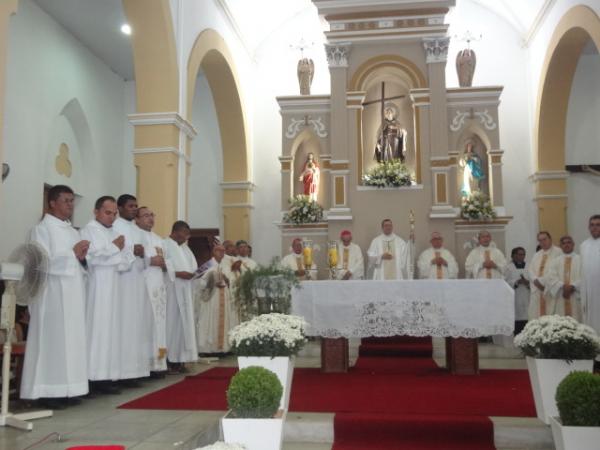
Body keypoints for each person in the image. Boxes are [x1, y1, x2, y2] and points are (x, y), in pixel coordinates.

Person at [20, 185, 89, 408]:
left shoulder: (72, 230)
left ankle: (71, 388)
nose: (70, 205)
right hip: (52, 295)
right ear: (52, 203)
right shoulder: (41, 229)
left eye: (72, 201)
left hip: (72, 294)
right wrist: (73, 254)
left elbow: (79, 263)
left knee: (72, 341)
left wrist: (81, 258)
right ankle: (48, 391)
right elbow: (40, 262)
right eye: (66, 200)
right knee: (53, 342)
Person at [81, 196, 135, 394]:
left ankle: (107, 376)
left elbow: (126, 259)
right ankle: (91, 378)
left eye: (114, 214)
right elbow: (91, 258)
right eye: (107, 212)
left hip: (114, 285)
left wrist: (117, 254)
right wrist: (114, 249)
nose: (112, 217)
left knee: (111, 331)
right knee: (97, 330)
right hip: (98, 286)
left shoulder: (116, 231)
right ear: (96, 212)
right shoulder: (88, 230)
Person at [112, 194, 148, 384]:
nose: (134, 209)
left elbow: (143, 256)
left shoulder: (136, 229)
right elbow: (115, 251)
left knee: (136, 326)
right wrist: (132, 251)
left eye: (136, 206)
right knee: (124, 326)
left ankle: (134, 371)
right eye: (130, 206)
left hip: (137, 280)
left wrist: (141, 255)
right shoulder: (115, 226)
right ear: (120, 208)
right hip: (123, 282)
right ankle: (123, 373)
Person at [136, 207, 172, 376]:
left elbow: (169, 263)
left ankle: (159, 362)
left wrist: (165, 265)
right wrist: (151, 261)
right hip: (143, 288)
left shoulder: (160, 240)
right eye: (146, 215)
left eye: (152, 215)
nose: (150, 218)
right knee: (145, 327)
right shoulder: (135, 236)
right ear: (137, 219)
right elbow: (133, 262)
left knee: (159, 327)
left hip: (159, 289)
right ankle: (144, 365)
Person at [163, 220, 198, 373]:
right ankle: (169, 360)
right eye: (185, 233)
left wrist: (192, 273)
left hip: (185, 291)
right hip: (171, 291)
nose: (186, 237)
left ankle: (181, 359)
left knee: (184, 326)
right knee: (171, 325)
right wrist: (178, 274)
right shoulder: (164, 244)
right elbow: (163, 267)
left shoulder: (185, 248)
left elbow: (193, 267)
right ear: (176, 231)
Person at [196, 245, 234, 354]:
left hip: (222, 297)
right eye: (219, 251)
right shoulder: (207, 266)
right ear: (214, 252)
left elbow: (229, 281)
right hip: (211, 299)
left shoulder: (224, 265)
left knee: (222, 320)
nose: (221, 253)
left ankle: (221, 348)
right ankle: (208, 349)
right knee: (210, 320)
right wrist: (212, 282)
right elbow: (198, 282)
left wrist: (226, 280)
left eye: (223, 251)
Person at [545, 236, 583, 321]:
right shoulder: (555, 261)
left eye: (569, 242)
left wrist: (573, 286)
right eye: (564, 243)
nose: (566, 245)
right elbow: (550, 277)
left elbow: (585, 277)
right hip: (560, 296)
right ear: (560, 246)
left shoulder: (581, 260)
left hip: (576, 297)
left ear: (573, 245)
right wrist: (562, 286)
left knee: (578, 320)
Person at [528, 231, 562, 319]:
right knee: (536, 316)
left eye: (544, 239)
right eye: (540, 240)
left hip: (549, 290)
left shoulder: (559, 252)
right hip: (537, 291)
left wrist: (542, 283)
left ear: (550, 239)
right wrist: (535, 280)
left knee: (551, 315)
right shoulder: (536, 255)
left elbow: (556, 271)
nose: (542, 242)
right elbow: (530, 270)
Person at [581, 215, 600, 335]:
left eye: (598, 225)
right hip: (589, 292)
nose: (594, 228)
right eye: (592, 225)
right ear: (588, 227)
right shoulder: (584, 245)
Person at [504, 247, 530, 335]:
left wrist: (527, 283)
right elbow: (504, 282)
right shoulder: (508, 268)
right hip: (514, 297)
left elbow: (533, 281)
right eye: (520, 254)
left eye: (523, 254)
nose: (522, 256)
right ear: (513, 255)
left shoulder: (529, 266)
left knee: (527, 315)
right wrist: (516, 282)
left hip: (527, 296)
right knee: (516, 317)